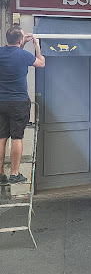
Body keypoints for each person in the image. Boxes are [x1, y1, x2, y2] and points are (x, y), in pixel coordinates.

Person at [0, 25, 45, 184]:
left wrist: (22, 43)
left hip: (1, 101)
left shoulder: (1, 52)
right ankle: (14, 173)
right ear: (20, 40)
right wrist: (37, 46)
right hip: (18, 102)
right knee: (17, 137)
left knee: (2, 137)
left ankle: (0, 174)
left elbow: (14, 53)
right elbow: (41, 63)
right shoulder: (23, 55)